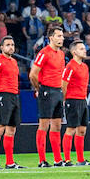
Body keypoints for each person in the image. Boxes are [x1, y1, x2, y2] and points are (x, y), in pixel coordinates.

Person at [30, 26, 67, 166]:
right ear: (51, 37)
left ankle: (58, 160)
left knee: (57, 126)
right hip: (46, 90)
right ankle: (42, 160)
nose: (61, 38)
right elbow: (33, 74)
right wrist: (39, 88)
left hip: (58, 91)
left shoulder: (61, 54)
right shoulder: (44, 53)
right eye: (58, 36)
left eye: (62, 36)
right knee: (44, 125)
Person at [0, 36, 23, 170]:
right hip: (4, 95)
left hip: (14, 96)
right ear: (1, 47)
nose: (11, 47)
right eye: (7, 45)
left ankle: (10, 162)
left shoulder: (13, 61)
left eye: (12, 45)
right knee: (0, 128)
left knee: (11, 129)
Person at [60, 38, 90, 166]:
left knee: (82, 130)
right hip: (72, 100)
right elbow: (64, 84)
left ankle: (80, 160)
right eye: (81, 49)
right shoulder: (70, 66)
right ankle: (67, 160)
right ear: (74, 52)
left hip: (83, 100)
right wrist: (65, 99)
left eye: (84, 48)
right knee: (71, 128)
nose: (84, 51)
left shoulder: (85, 67)